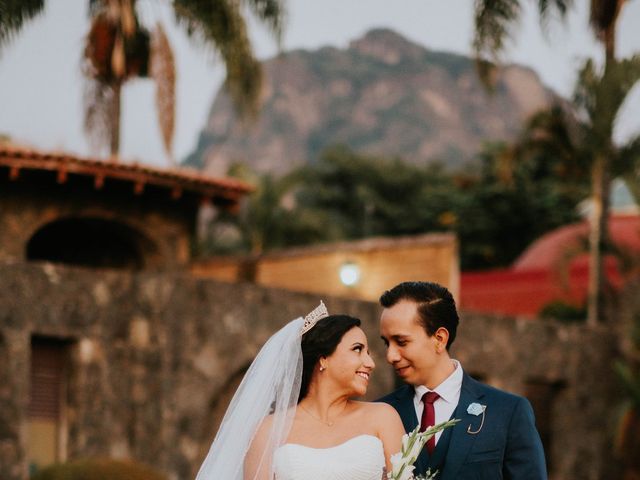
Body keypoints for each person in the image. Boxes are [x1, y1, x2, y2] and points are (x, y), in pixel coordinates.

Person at [196, 301, 405, 480]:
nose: (370, 363)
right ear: (323, 358)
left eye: (368, 353)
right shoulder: (268, 431)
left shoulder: (383, 417)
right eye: (357, 349)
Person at [378, 281, 547, 480]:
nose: (390, 356)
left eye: (401, 342)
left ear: (439, 338)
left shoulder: (508, 411)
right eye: (386, 343)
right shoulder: (380, 413)